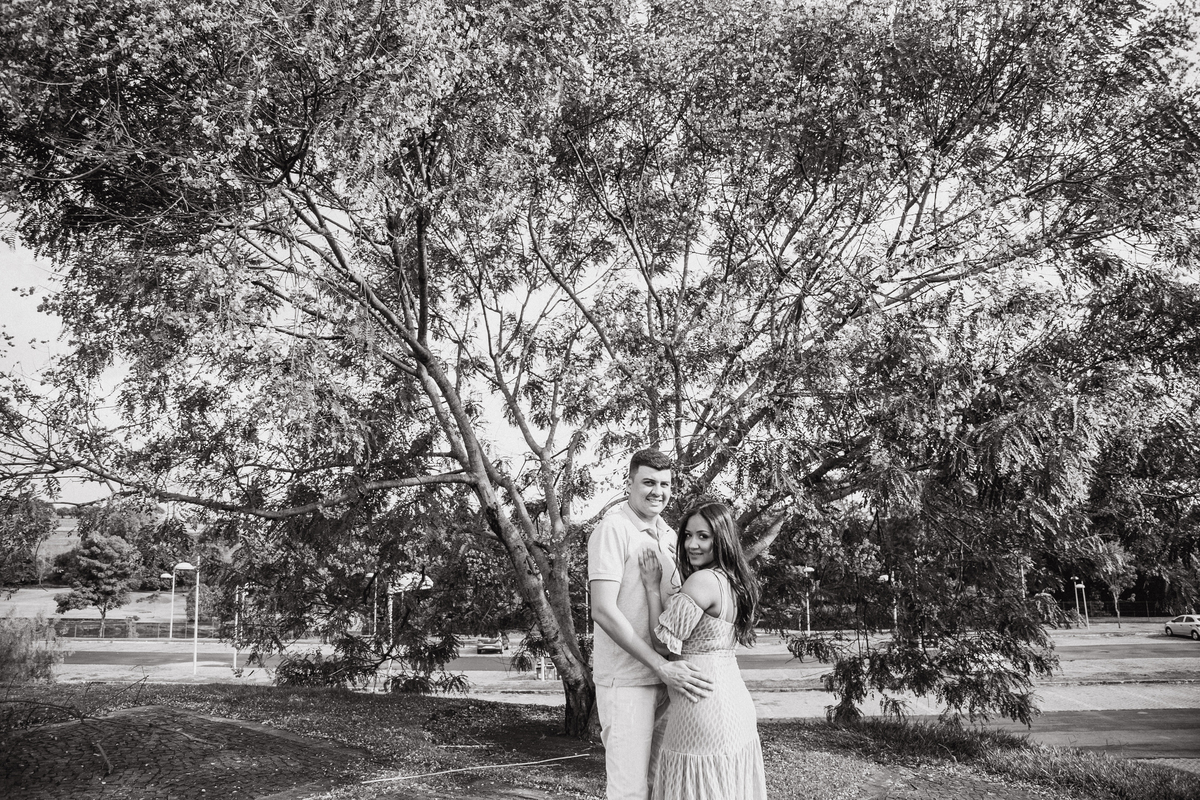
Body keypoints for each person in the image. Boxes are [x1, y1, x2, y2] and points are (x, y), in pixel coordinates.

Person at [588, 449, 715, 800]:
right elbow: (602, 610)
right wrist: (660, 665)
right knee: (629, 791)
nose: (658, 491)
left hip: (669, 681)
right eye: (648, 482)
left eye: (665, 484)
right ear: (629, 483)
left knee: (661, 787)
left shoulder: (672, 536)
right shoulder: (613, 530)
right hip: (628, 681)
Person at [637, 500, 767, 800]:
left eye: (703, 536)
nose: (692, 544)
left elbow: (662, 643)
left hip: (702, 707)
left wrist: (652, 587)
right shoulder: (733, 581)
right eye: (688, 535)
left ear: (721, 539)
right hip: (733, 704)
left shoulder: (703, 581)